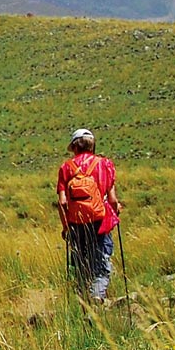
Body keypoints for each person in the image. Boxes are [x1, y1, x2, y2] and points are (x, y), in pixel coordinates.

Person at [56, 128, 122, 303]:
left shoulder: (65, 168)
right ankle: (96, 299)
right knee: (100, 269)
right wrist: (115, 212)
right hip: (100, 223)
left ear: (74, 147)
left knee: (80, 267)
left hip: (76, 225)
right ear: (92, 146)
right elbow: (113, 200)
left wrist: (65, 228)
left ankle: (83, 302)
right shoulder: (105, 164)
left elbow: (62, 203)